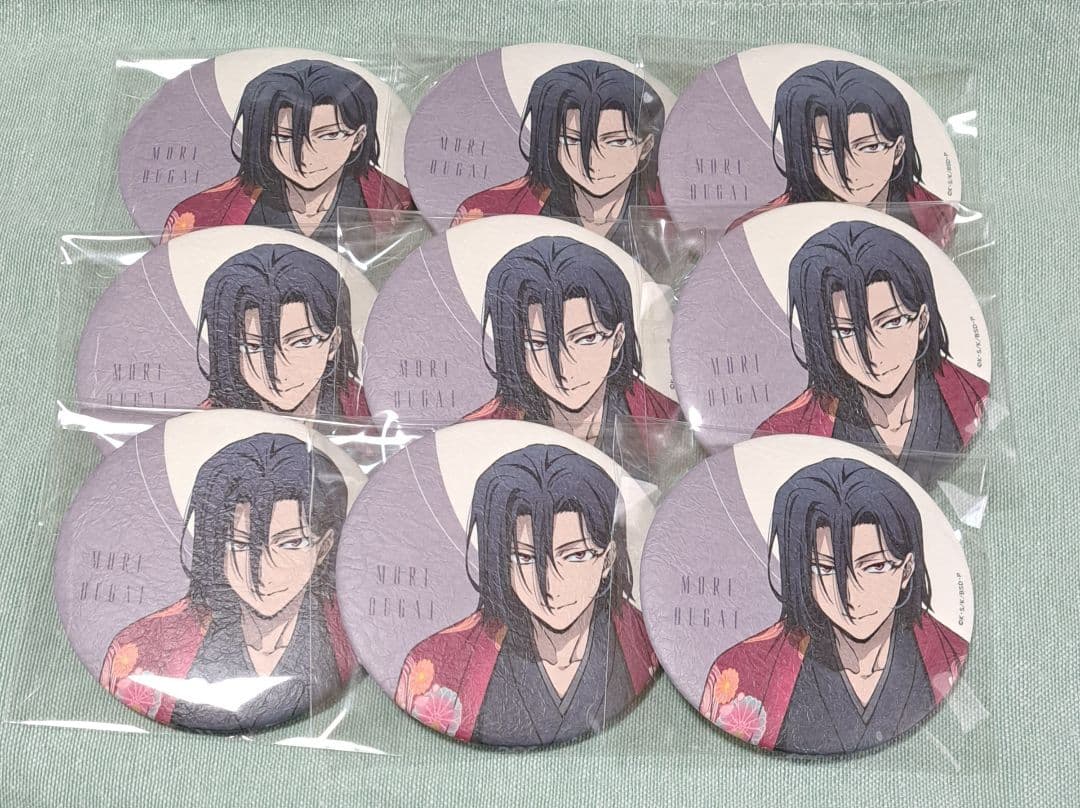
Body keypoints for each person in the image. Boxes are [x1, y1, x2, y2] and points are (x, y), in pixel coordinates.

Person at [699, 458, 967, 755]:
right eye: (825, 569)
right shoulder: (742, 673)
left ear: (906, 570)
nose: (851, 595)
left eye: (875, 566)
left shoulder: (948, 655)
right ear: (801, 572)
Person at [395, 444, 657, 746]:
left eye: (576, 555)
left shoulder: (650, 641)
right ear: (500, 561)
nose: (551, 585)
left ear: (608, 559)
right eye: (525, 558)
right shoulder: (437, 664)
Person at [100, 433, 356, 731]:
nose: (264, 571)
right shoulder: (143, 650)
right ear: (215, 547)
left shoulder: (355, 634)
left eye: (290, 543)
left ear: (323, 547)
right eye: (239, 544)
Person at [755, 221, 987, 485]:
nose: (874, 354)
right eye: (845, 331)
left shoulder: (970, 396)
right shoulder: (785, 434)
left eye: (892, 322)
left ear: (922, 321)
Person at [462, 236, 680, 455]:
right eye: (538, 343)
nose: (565, 370)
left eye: (587, 338)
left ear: (617, 339)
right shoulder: (476, 436)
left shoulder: (665, 421)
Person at [162, 60, 414, 248]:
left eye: (328, 135)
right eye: (283, 137)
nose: (305, 156)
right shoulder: (201, 217)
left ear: (358, 137)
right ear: (260, 139)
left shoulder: (400, 207)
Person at [727, 61, 955, 248]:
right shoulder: (754, 230)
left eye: (869, 147)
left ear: (898, 149)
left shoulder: (937, 216)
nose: (848, 170)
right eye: (825, 150)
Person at [453, 61, 668, 254]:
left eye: (617, 142)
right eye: (572, 140)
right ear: (550, 141)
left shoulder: (672, 214)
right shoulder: (489, 213)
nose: (593, 161)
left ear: (646, 146)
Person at [197, 243, 369, 418]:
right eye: (253, 346)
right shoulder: (206, 422)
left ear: (333, 343)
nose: (279, 373)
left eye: (303, 341)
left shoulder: (363, 408)